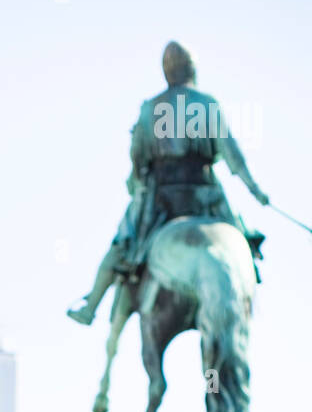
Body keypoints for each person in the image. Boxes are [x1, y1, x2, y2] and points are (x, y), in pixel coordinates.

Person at [68, 40, 269, 327]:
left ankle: (91, 305)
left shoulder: (151, 108)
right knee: (243, 245)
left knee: (122, 245)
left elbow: (137, 160)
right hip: (205, 196)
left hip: (161, 198)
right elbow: (234, 157)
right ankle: (245, 288)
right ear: (192, 69)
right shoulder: (208, 104)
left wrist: (137, 179)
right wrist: (256, 190)